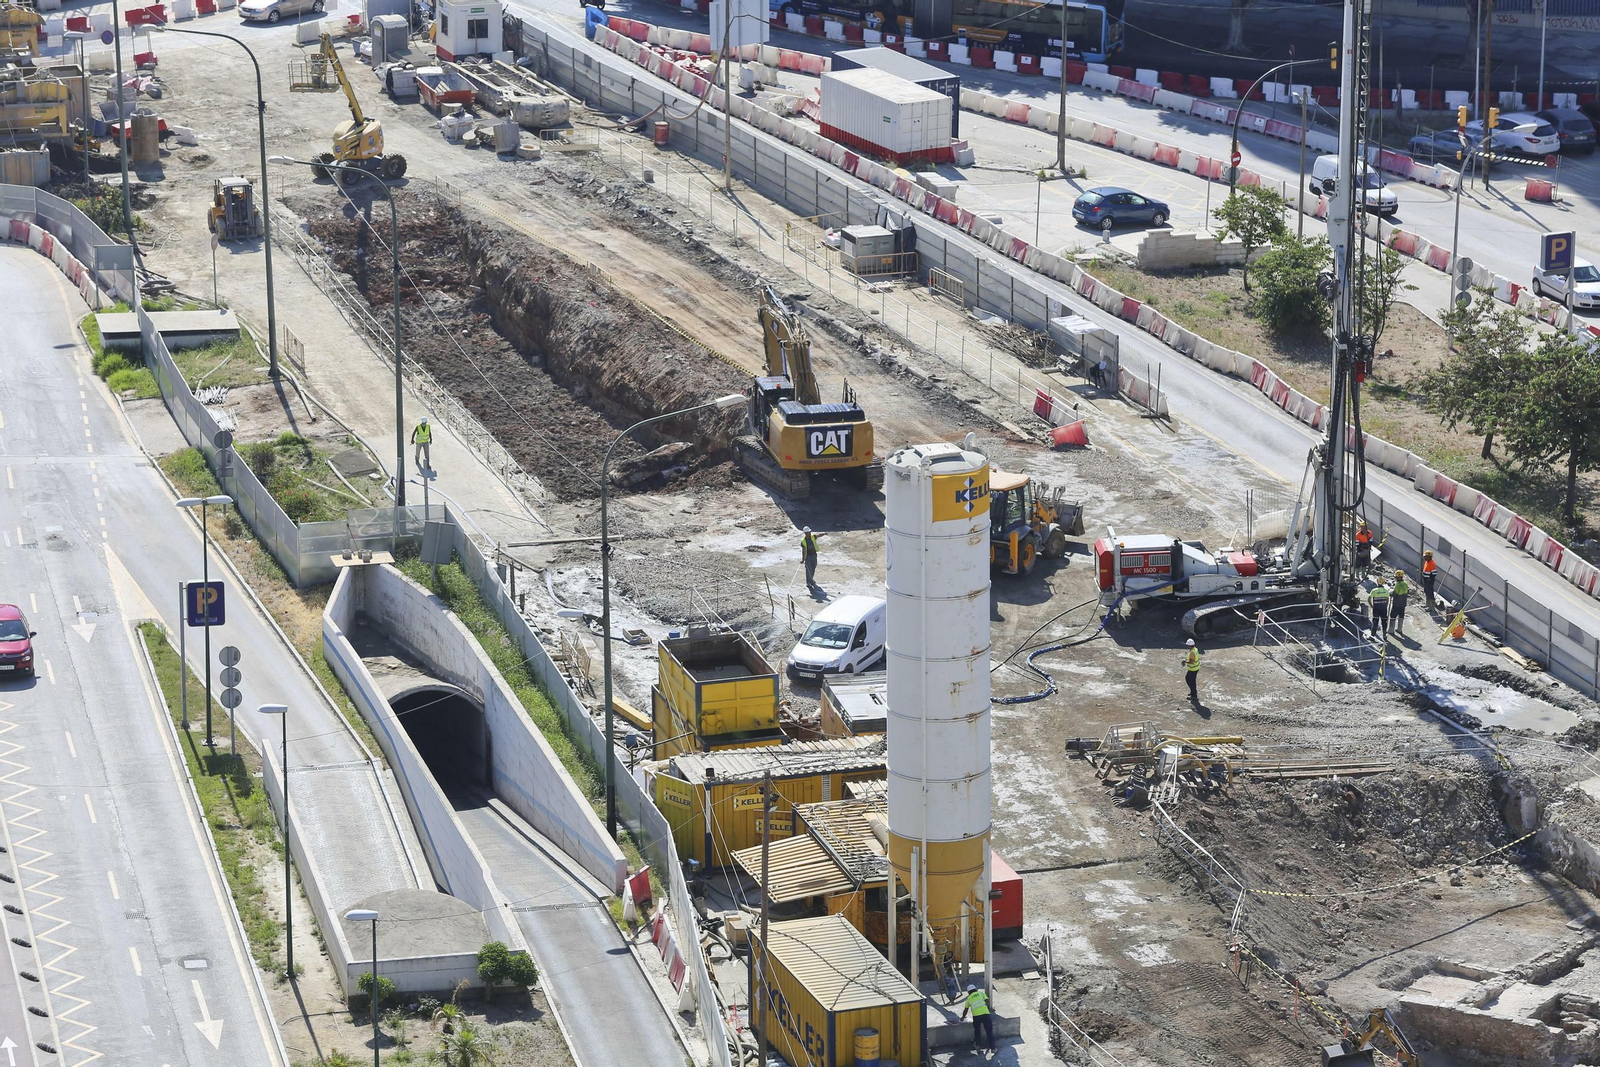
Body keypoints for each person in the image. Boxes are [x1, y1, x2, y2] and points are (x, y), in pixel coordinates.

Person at [960, 983, 994, 1052]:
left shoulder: (969, 998)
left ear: (968, 992)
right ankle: (993, 1048)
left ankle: (978, 1045)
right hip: (986, 1014)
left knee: (977, 1031)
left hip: (976, 1016)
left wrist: (962, 1017)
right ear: (975, 989)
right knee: (989, 1031)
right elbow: (987, 1001)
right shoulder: (981, 993)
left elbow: (966, 1009)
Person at [1391, 569, 1410, 636]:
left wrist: (1391, 594)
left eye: (1396, 577)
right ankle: (1399, 629)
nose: (1396, 578)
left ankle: (1391, 630)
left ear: (1398, 577)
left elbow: (1395, 594)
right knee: (1401, 616)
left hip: (1396, 603)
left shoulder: (1398, 585)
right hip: (1403, 603)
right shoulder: (1405, 583)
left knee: (1393, 616)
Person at [1183, 638, 1201, 703]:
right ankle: (1193, 692)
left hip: (1193, 669)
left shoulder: (1192, 652)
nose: (1187, 646)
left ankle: (1194, 695)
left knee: (1190, 681)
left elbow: (1192, 662)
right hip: (1195, 668)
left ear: (1190, 645)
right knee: (1189, 680)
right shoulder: (1195, 649)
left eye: (1188, 645)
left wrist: (1185, 662)